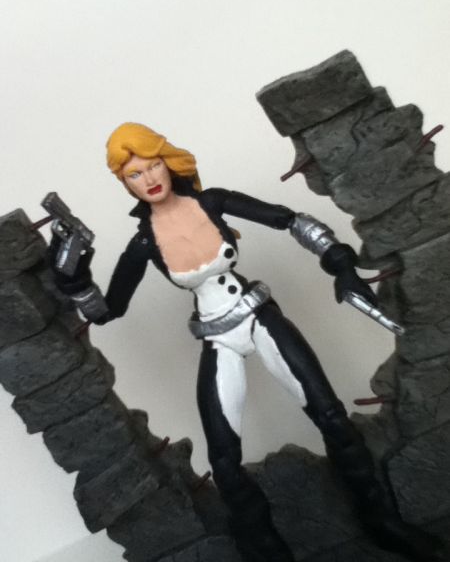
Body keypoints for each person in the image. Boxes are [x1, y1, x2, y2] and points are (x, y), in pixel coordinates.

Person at [52, 122, 444, 562]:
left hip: (258, 315)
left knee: (331, 415)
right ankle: (267, 550)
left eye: (153, 165)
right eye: (134, 174)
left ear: (168, 161)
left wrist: (339, 262)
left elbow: (287, 219)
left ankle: (382, 522)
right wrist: (74, 277)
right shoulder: (143, 243)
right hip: (217, 337)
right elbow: (108, 311)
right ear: (125, 184)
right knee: (223, 457)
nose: (149, 179)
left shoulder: (212, 202)